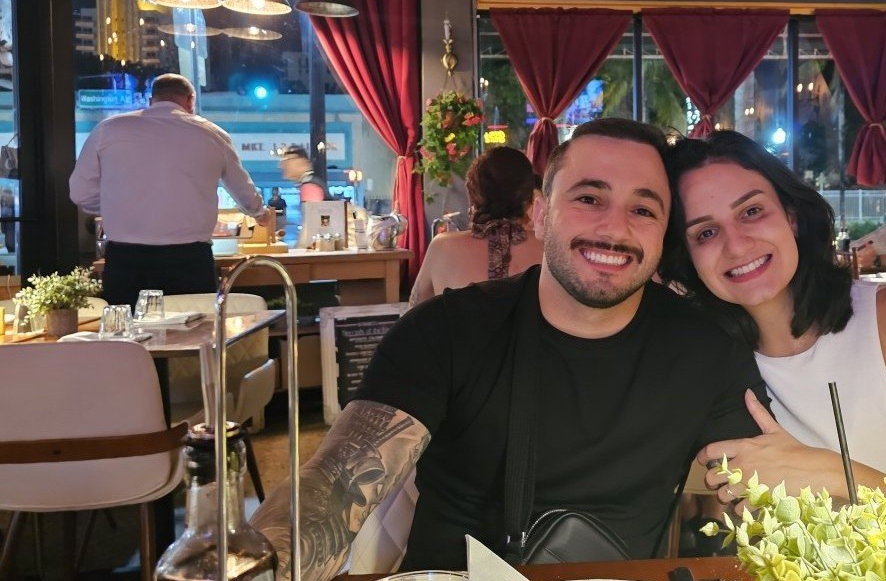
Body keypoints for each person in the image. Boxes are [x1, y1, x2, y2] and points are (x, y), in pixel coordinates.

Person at [249, 118, 767, 580]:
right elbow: (335, 486)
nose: (615, 228)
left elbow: (756, 505)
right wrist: (264, 566)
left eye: (643, 209)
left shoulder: (707, 349)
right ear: (539, 214)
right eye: (589, 199)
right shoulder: (447, 331)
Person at [661, 131, 886, 536]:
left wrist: (829, 473)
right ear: (687, 256)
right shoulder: (706, 358)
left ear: (791, 216)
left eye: (752, 211)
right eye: (705, 233)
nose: (737, 245)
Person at [69, 73, 271, 305]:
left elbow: (80, 193)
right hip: (189, 260)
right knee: (193, 325)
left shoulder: (109, 129)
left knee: (127, 324)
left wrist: (119, 207)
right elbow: (243, 191)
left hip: (126, 259)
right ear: (191, 100)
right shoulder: (212, 134)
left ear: (151, 100)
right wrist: (260, 213)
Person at [408, 146, 543, 304]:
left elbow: (414, 311)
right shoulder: (548, 249)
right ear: (529, 198)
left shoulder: (442, 247)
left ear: (472, 194)